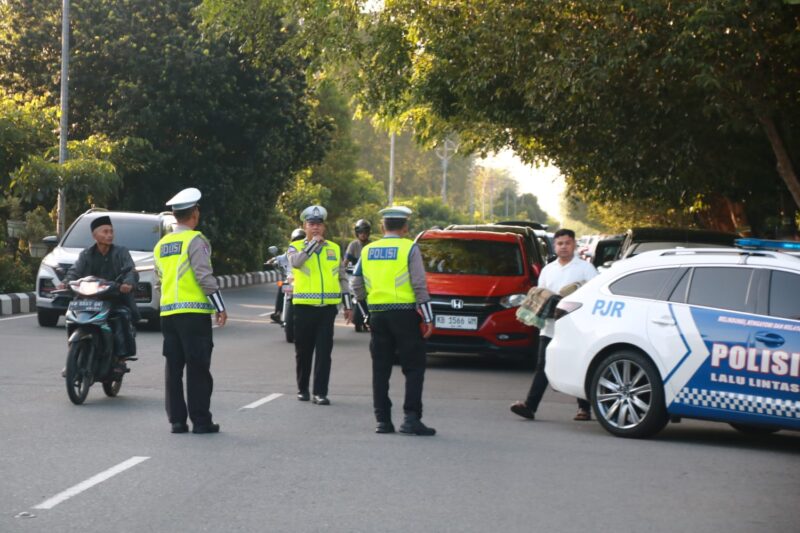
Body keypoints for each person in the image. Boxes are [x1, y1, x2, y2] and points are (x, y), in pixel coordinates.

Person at [350, 206, 436, 436]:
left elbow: (355, 284)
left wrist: (366, 310)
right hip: (405, 315)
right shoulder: (409, 248)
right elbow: (419, 284)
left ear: (381, 227)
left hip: (378, 315)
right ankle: (411, 419)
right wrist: (428, 317)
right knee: (414, 367)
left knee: (381, 369)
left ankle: (383, 421)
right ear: (405, 227)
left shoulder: (368, 250)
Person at [153, 188, 227, 435]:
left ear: (175, 216)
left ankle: (177, 421)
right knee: (197, 368)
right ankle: (201, 421)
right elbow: (204, 277)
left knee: (173, 368)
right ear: (195, 213)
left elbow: (159, 279)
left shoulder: (161, 245)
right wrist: (219, 306)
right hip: (193, 313)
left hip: (168, 314)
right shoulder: (196, 241)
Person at [510, 228, 598, 422]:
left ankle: (584, 409)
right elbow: (540, 297)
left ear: (574, 244)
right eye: (560, 243)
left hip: (576, 327)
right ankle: (529, 406)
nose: (564, 247)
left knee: (577, 364)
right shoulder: (548, 270)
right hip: (549, 327)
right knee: (542, 365)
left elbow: (593, 297)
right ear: (555, 246)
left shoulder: (586, 269)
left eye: (567, 243)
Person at [287, 205, 352, 405]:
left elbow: (342, 277)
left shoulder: (333, 248)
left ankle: (320, 392)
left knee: (324, 353)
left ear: (324, 227)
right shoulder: (295, 247)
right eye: (311, 224)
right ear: (304, 226)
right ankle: (303, 389)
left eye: (319, 225)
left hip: (327, 309)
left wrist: (348, 305)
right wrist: (312, 245)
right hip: (304, 307)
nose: (315, 228)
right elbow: (296, 263)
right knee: (303, 351)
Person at [61, 215, 139, 373]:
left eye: (111, 231)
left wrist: (128, 283)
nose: (109, 235)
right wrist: (66, 282)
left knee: (121, 316)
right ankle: (73, 357)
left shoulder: (121, 252)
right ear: (94, 236)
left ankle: (120, 359)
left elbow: (130, 270)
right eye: (105, 231)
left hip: (113, 298)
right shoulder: (86, 255)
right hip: (89, 299)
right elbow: (74, 271)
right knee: (71, 317)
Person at [269, 227, 305, 324]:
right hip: (290, 278)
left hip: (303, 279)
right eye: (297, 239)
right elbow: (281, 257)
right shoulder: (291, 249)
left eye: (301, 238)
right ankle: (278, 312)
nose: (298, 241)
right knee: (281, 286)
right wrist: (272, 260)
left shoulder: (307, 249)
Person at [344, 219, 372, 332]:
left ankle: (371, 315)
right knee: (351, 292)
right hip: (356, 276)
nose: (363, 234)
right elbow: (345, 261)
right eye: (360, 232)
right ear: (357, 233)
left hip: (370, 276)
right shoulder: (353, 245)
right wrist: (341, 270)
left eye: (365, 232)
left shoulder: (372, 245)